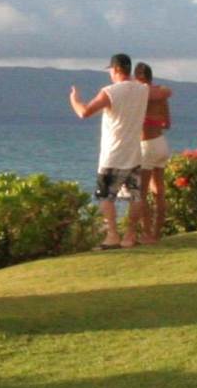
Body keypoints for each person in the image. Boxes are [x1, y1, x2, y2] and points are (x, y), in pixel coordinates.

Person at [68, 54, 154, 249]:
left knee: (106, 197)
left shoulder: (110, 92)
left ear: (115, 70)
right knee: (135, 196)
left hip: (113, 154)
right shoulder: (142, 90)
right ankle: (130, 235)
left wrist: (75, 99)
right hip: (133, 154)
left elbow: (84, 112)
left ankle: (113, 235)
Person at [133, 61, 173, 245]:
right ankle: (157, 234)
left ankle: (147, 234)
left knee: (141, 193)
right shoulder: (161, 95)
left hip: (146, 144)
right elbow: (167, 123)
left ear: (138, 77)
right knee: (159, 191)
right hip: (161, 143)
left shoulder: (140, 94)